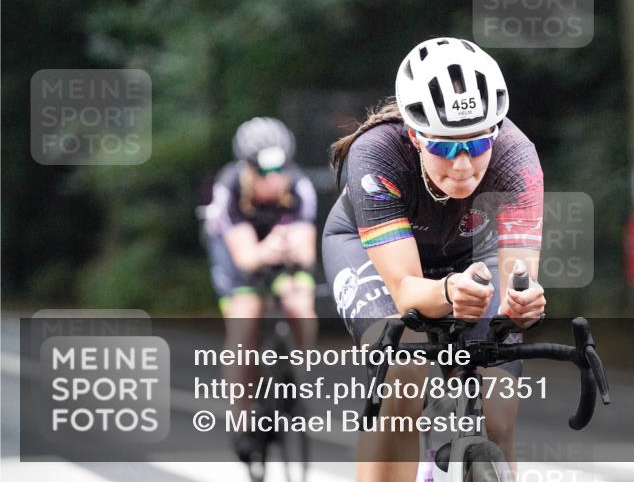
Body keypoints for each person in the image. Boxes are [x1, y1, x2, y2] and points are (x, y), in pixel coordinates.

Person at [324, 37, 546, 482]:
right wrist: (447, 291)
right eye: (444, 147)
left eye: (478, 143)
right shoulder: (377, 154)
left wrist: (523, 302)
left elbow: (517, 283)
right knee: (404, 376)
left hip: (467, 253)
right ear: (414, 135)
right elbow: (406, 289)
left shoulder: (517, 158)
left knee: (499, 409)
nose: (463, 164)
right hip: (374, 255)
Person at [203, 116, 318, 461]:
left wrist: (290, 249)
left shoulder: (299, 185)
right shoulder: (229, 188)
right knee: (246, 317)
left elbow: (306, 251)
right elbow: (246, 257)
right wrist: (265, 251)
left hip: (278, 253)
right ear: (247, 168)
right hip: (237, 254)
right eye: (263, 172)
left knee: (299, 301)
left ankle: (298, 372)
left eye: (279, 170)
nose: (272, 179)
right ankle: (241, 418)